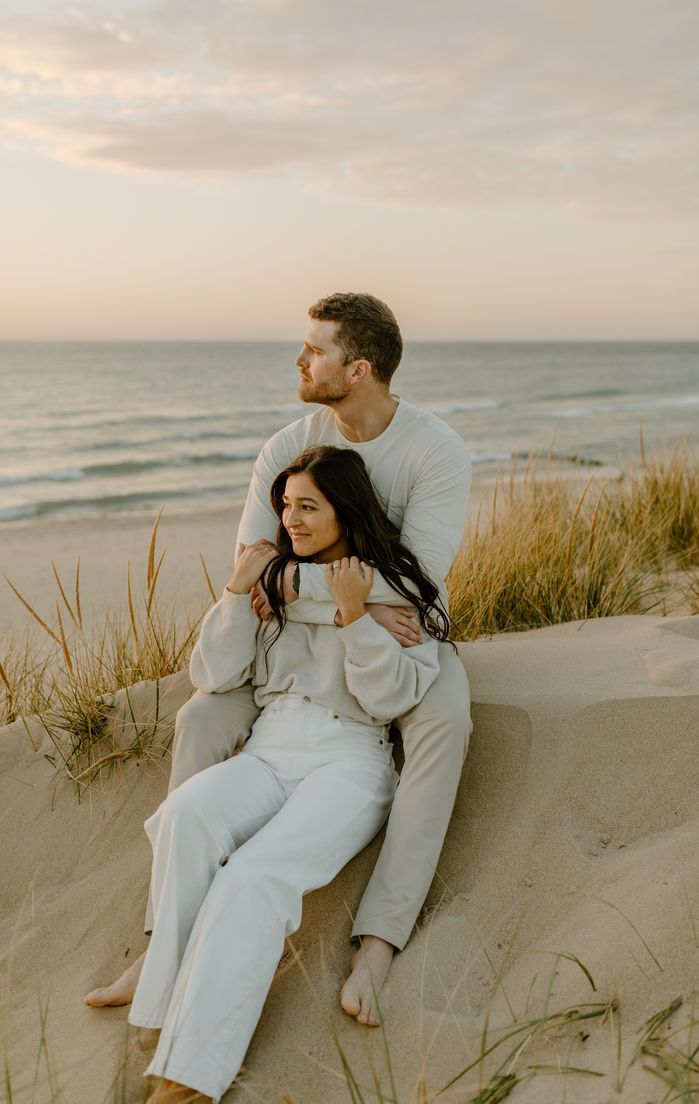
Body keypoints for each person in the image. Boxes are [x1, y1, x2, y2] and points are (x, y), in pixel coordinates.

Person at [85, 291, 472, 1027]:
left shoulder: (435, 449)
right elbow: (251, 565)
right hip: (288, 645)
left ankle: (380, 941)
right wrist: (329, 591)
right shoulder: (286, 445)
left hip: (404, 639)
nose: (300, 359)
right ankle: (162, 940)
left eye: (315, 349)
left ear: (359, 369)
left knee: (445, 723)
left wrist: (298, 587)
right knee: (201, 716)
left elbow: (410, 587)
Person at [127, 445, 447, 1103]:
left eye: (308, 505)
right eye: (284, 505)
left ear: (344, 510)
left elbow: (390, 700)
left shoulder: (393, 587)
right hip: (269, 750)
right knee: (187, 815)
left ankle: (188, 1077)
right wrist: (239, 592)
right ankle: (161, 1016)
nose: (290, 519)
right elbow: (214, 676)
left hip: (349, 760)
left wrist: (357, 618)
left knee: (254, 876)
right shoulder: (275, 580)